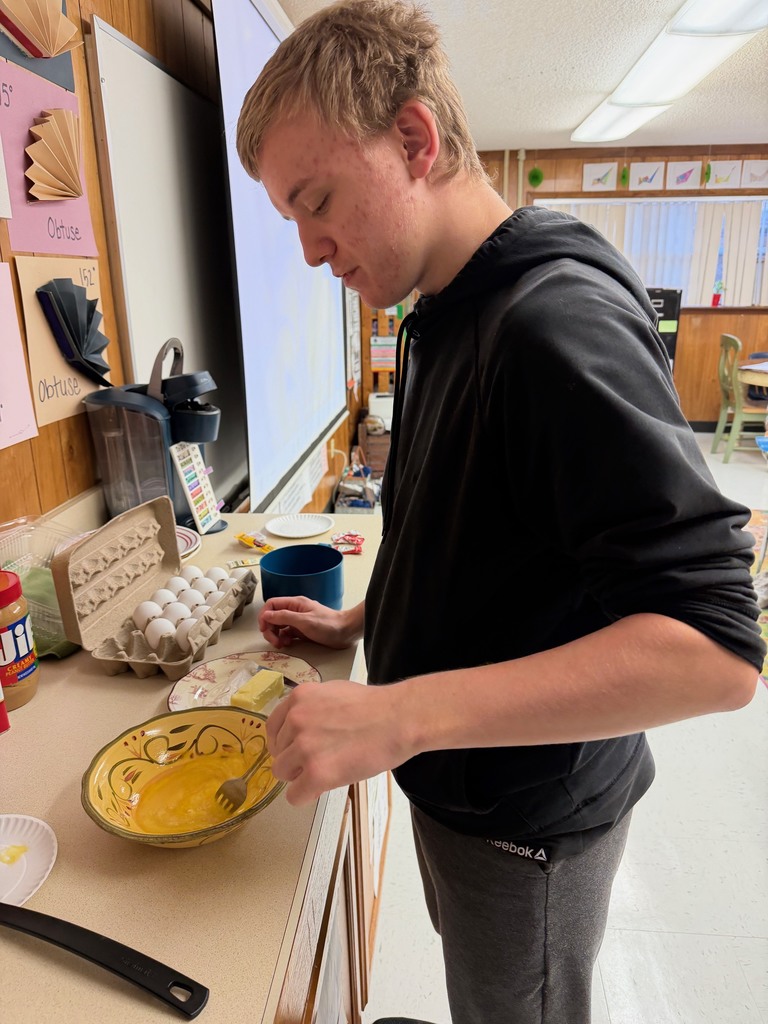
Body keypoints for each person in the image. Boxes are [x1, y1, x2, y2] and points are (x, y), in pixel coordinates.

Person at [236, 3, 764, 1021]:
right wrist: (366, 623)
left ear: (414, 140)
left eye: (318, 201)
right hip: (463, 785)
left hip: (530, 822)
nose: (308, 250)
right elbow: (471, 527)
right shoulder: (441, 304)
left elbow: (715, 650)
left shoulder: (553, 326)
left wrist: (401, 711)